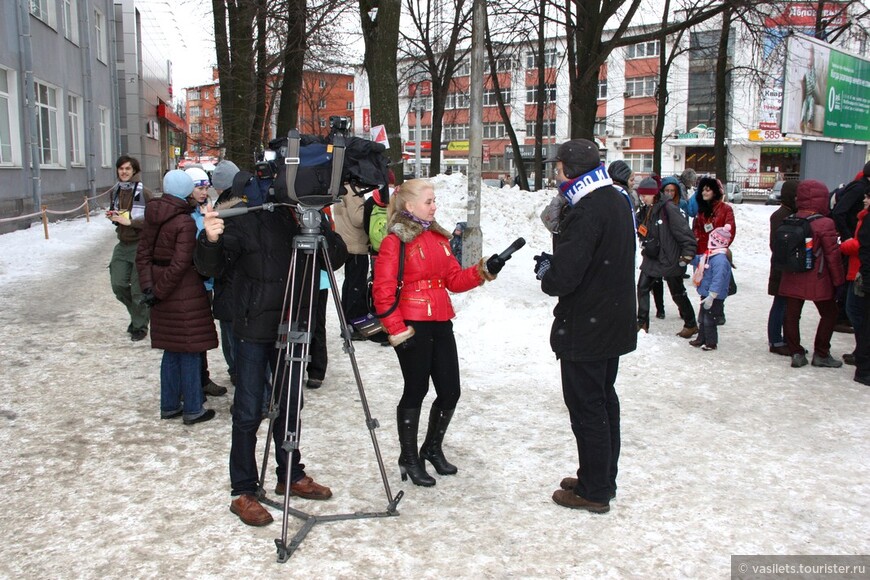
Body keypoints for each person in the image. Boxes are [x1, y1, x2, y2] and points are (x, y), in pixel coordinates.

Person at [195, 185, 348, 527]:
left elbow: (335, 258)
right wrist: (210, 240)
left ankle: (290, 474)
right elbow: (210, 267)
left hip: (293, 322)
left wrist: (319, 223)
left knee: (291, 405)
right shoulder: (250, 215)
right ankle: (243, 491)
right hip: (253, 329)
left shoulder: (300, 216)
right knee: (249, 411)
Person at [371, 178, 502, 487]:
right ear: (409, 205)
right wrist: (397, 330)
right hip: (412, 326)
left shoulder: (439, 237)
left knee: (450, 390)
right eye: (428, 201)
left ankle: (431, 448)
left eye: (434, 201)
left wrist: (484, 270)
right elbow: (383, 291)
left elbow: (453, 280)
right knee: (415, 391)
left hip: (441, 321)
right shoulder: (396, 241)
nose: (434, 206)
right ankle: (408, 457)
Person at [533, 139, 636, 513]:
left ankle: (594, 491)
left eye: (557, 166)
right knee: (604, 403)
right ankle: (600, 476)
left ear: (568, 170)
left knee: (588, 408)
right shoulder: (615, 198)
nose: (554, 172)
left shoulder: (587, 209)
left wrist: (548, 271)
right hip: (610, 319)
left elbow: (564, 278)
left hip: (588, 325)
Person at [135, 170, 217, 425]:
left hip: (161, 293)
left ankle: (169, 404)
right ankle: (193, 407)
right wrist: (160, 292)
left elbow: (143, 255)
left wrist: (151, 289)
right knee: (191, 350)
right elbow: (181, 264)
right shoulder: (184, 221)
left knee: (171, 351)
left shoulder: (153, 215)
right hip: (184, 293)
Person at [778, 180, 845, 369]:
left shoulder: (790, 219)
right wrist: (839, 281)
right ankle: (821, 353)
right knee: (830, 313)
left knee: (791, 315)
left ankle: (796, 352)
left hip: (792, 275)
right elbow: (832, 255)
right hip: (818, 277)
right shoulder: (825, 223)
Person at [634, 176, 698, 336]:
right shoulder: (647, 209)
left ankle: (691, 323)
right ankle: (642, 324)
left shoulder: (668, 208)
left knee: (677, 292)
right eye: (641, 195)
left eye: (645, 195)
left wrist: (688, 253)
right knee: (642, 287)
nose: (642, 198)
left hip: (669, 257)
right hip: (653, 256)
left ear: (654, 194)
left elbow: (684, 232)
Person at [185, 166, 228, 399]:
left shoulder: (206, 209)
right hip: (196, 282)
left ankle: (202, 377)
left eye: (205, 187)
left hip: (208, 282)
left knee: (203, 333)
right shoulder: (187, 214)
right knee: (196, 335)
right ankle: (198, 380)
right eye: (198, 188)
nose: (203, 192)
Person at [106, 155, 153, 341]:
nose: (124, 172)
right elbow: (119, 216)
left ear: (134, 171)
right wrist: (114, 217)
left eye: (127, 169)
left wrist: (130, 222)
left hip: (140, 245)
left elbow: (153, 221)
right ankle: (138, 314)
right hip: (122, 244)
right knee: (118, 284)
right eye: (121, 169)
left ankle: (139, 327)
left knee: (137, 291)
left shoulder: (145, 193)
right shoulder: (116, 191)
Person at [210, 160, 242, 385]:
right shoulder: (249, 201)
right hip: (245, 284)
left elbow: (219, 253)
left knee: (231, 333)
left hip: (229, 283)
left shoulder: (222, 209)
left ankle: (237, 370)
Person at [767, 180, 799, 356]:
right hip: (782, 267)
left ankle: (786, 339)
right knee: (780, 304)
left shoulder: (791, 214)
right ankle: (775, 340)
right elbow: (777, 244)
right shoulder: (780, 215)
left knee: (787, 305)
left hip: (787, 266)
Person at [688, 224, 733, 351]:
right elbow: (700, 260)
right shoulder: (710, 255)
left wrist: (712, 295)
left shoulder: (720, 260)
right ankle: (701, 338)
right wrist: (690, 258)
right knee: (702, 317)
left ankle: (711, 342)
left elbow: (718, 280)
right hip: (706, 292)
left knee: (710, 319)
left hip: (714, 296)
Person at [333, 186, 370, 340]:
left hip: (346, 242)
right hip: (356, 244)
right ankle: (354, 325)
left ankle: (347, 323)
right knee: (356, 286)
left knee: (350, 284)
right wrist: (368, 209)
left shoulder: (341, 189)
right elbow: (358, 219)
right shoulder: (352, 192)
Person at [838, 194, 869, 365]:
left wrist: (844, 245)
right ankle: (860, 350)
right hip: (857, 269)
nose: (864, 200)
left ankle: (862, 351)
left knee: (856, 311)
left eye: (868, 197)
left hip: (860, 270)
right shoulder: (863, 216)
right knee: (854, 311)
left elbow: (861, 244)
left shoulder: (866, 219)